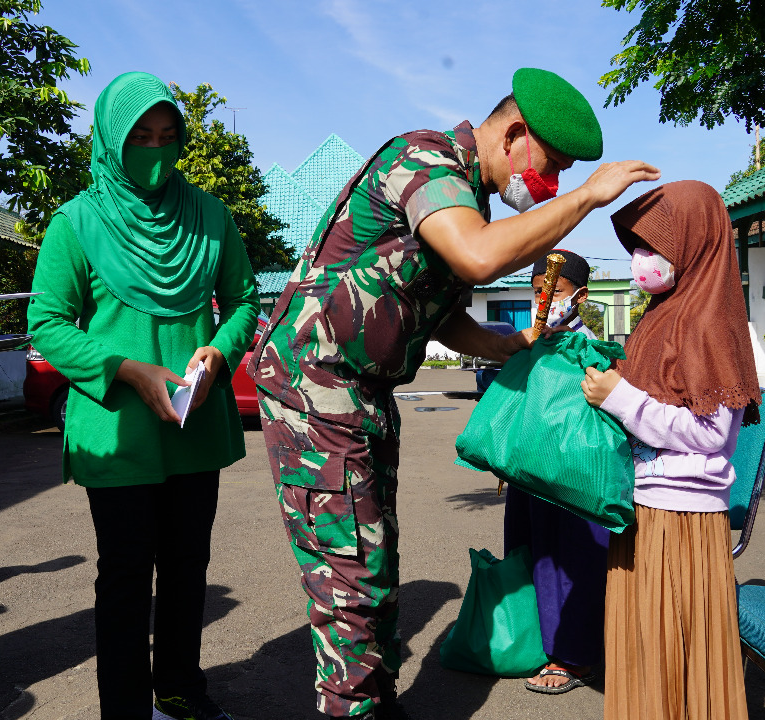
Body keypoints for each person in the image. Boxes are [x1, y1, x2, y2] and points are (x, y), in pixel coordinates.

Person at [250, 67, 658, 719]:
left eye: (561, 178)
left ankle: (376, 704)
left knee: (374, 563)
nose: (549, 185)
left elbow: (441, 313)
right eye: (550, 167)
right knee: (348, 576)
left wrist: (506, 346)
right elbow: (474, 257)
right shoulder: (427, 159)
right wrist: (585, 198)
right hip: (317, 382)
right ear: (516, 133)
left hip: (363, 391)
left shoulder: (470, 195)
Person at [27, 71, 259, 720]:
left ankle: (181, 693)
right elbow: (46, 323)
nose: (155, 153)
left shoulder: (210, 216)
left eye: (167, 137)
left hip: (194, 428)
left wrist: (218, 352)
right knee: (126, 580)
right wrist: (127, 369)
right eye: (139, 139)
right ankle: (125, 711)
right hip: (118, 435)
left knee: (187, 569)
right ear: (109, 140)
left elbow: (244, 300)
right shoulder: (75, 223)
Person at [582, 180, 761, 720]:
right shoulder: (663, 312)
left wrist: (622, 400)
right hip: (644, 500)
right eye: (635, 247)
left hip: (679, 513)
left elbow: (712, 434)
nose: (640, 261)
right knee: (644, 644)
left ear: (693, 245)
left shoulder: (708, 322)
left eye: (652, 248)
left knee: (670, 647)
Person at [500, 249, 609, 695]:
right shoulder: (532, 342)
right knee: (530, 554)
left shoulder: (589, 350)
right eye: (538, 290)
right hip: (530, 472)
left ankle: (573, 657)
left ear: (579, 296)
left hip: (569, 476)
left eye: (556, 292)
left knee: (570, 561)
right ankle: (531, 642)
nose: (544, 299)